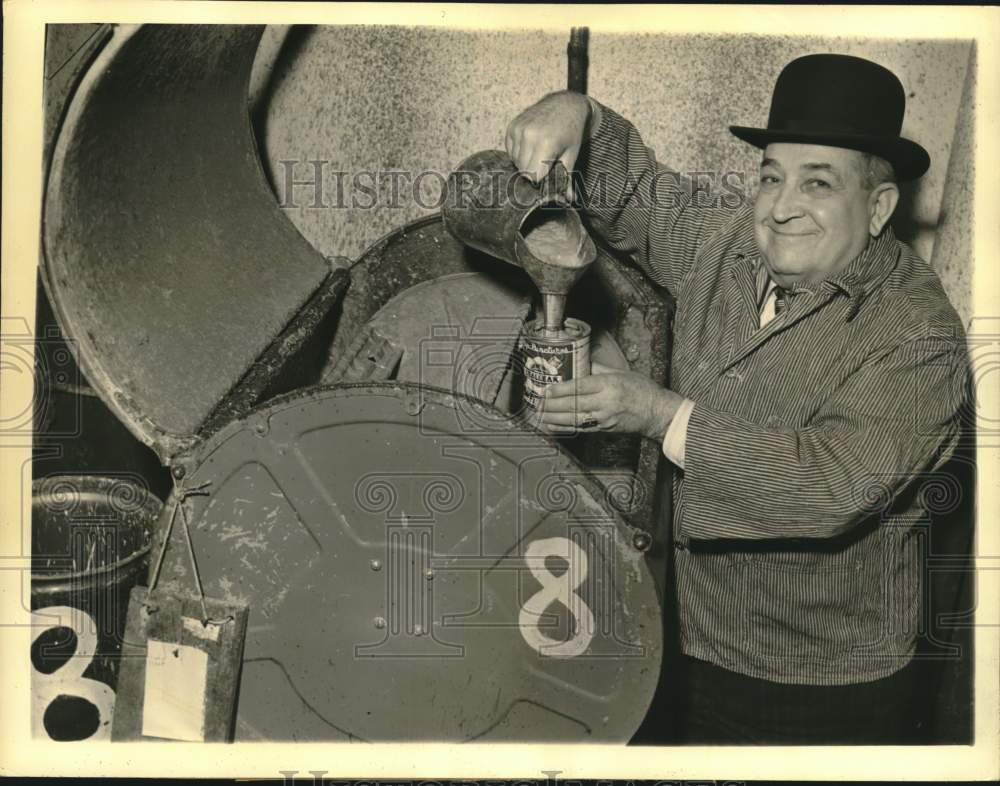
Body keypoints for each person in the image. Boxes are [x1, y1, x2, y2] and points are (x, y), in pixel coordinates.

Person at [505, 53, 969, 744]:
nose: (781, 208)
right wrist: (578, 113)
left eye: (818, 183)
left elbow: (829, 485)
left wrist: (658, 414)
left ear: (878, 207)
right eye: (772, 176)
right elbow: (637, 191)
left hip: (817, 683)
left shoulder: (918, 333)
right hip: (685, 635)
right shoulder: (733, 244)